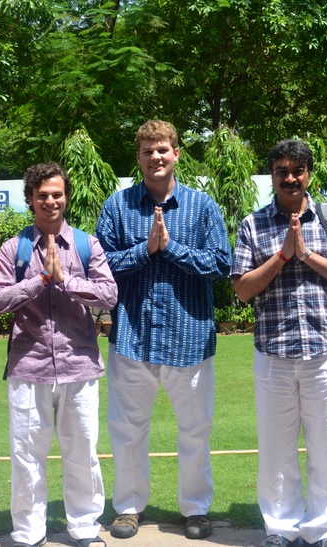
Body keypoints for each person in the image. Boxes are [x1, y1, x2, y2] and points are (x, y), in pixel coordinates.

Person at [95, 119, 231, 540]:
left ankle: (195, 509)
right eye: (147, 150)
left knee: (194, 429)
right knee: (127, 429)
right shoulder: (117, 208)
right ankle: (129, 509)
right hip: (133, 337)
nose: (156, 156)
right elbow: (100, 268)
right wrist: (144, 249)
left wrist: (170, 248)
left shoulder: (202, 206)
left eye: (163, 149)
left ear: (176, 153)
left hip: (188, 337)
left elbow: (221, 265)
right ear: (138, 158)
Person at [231, 139, 327, 547]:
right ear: (272, 175)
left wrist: (305, 255)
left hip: (326, 351)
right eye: (282, 171)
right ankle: (281, 528)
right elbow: (242, 290)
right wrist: (284, 256)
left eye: (298, 170)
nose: (290, 178)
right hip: (274, 354)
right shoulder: (252, 225)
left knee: (325, 447)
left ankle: (322, 529)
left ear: (309, 174)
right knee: (276, 449)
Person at [0, 163, 117, 547]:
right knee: (27, 457)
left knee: (82, 454)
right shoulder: (16, 248)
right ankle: (29, 533)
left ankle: (84, 528)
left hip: (79, 365)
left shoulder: (85, 244)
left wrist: (65, 280)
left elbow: (109, 295)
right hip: (30, 366)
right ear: (30, 199)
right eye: (42, 194)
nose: (50, 201)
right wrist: (39, 279)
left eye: (57, 194)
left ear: (66, 197)